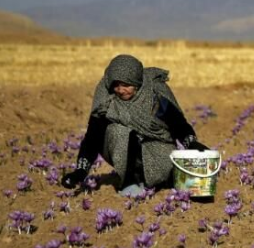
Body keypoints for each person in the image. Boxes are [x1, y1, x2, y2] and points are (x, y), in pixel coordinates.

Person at [61, 54, 208, 196]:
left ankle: (158, 179)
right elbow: (92, 138)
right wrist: (80, 171)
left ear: (137, 82)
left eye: (126, 85)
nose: (120, 90)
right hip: (121, 151)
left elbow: (178, 125)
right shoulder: (107, 102)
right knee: (117, 130)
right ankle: (128, 181)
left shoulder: (155, 96)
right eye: (116, 85)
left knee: (180, 178)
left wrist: (191, 143)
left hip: (156, 147)